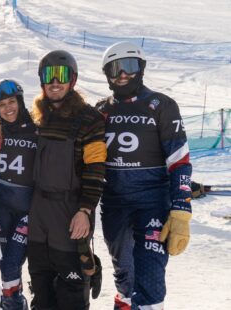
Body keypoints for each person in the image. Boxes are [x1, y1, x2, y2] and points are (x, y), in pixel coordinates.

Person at [97, 41, 192, 309]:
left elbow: (180, 160)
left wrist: (181, 208)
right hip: (114, 204)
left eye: (130, 66)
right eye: (116, 69)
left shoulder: (161, 105)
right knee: (125, 274)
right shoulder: (101, 110)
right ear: (107, 75)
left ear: (141, 68)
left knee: (149, 275)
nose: (123, 74)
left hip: (152, 202)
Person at [27, 50, 106, 310]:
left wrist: (85, 210)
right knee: (40, 285)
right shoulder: (38, 118)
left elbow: (96, 169)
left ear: (72, 79)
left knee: (71, 288)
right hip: (39, 212)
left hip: (69, 211)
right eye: (49, 75)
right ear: (42, 80)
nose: (55, 82)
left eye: (61, 75)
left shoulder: (88, 119)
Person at [0, 79, 36, 309]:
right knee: (9, 265)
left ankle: (12, 304)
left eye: (12, 101)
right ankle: (16, 300)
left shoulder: (37, 129)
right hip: (2, 208)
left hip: (27, 211)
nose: (8, 108)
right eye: (2, 105)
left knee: (9, 265)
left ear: (20, 101)